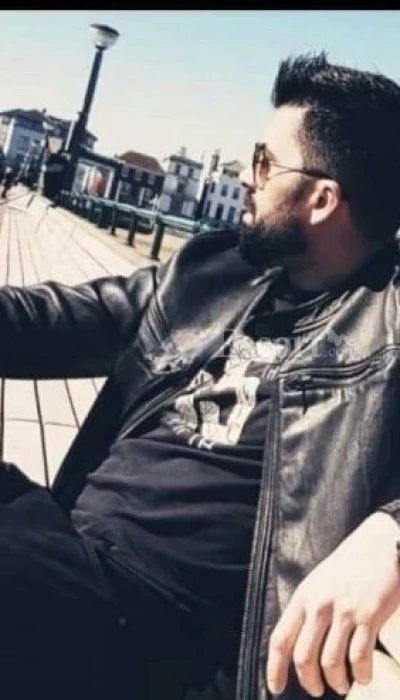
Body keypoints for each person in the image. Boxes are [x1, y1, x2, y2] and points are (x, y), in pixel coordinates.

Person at [1, 50, 400, 700]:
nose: (246, 175)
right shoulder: (216, 270)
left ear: (323, 199)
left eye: (265, 161)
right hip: (60, 539)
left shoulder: (390, 319)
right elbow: (58, 318)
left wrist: (392, 535)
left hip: (151, 615)